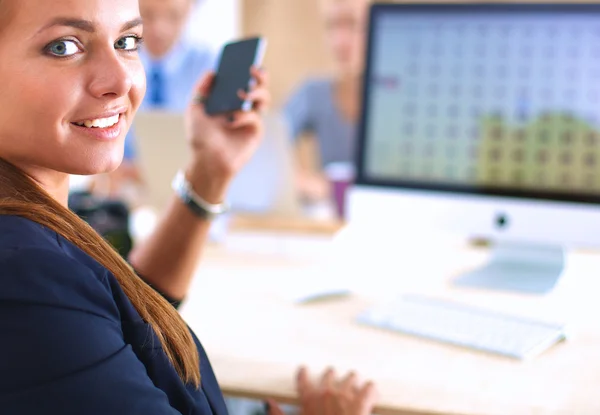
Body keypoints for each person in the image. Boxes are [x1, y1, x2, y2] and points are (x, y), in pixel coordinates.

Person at [0, 0, 378, 413]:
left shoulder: (36, 245)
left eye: (127, 41)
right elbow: (62, 309)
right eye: (63, 47)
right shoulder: (25, 276)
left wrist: (211, 169)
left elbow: (122, 314)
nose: (120, 79)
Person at [106, 0, 217, 198]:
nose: (159, 29)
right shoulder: (112, 62)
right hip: (126, 193)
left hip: (189, 190)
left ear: (191, 10)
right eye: (147, 15)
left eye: (173, 16)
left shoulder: (209, 67)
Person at [283, 0, 369, 203]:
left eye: (353, 24)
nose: (339, 41)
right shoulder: (313, 93)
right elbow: (269, 149)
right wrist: (305, 182)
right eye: (332, 26)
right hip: (330, 225)